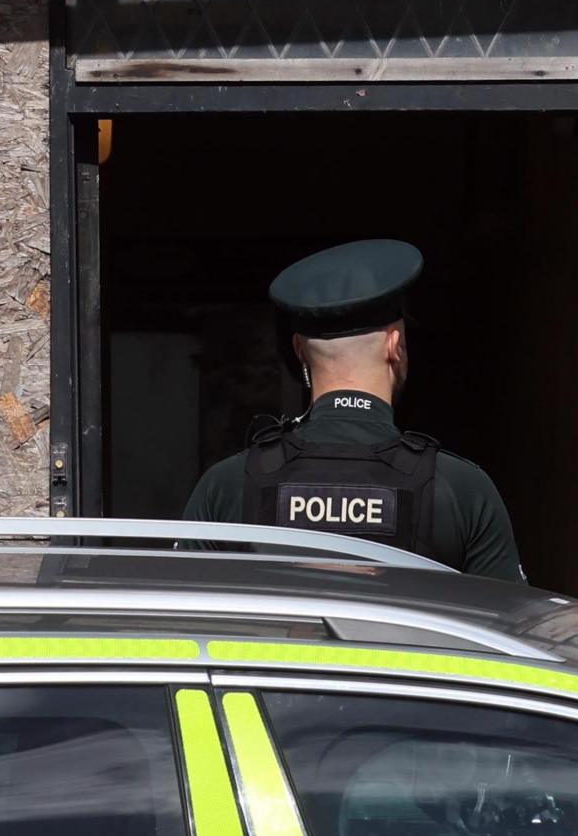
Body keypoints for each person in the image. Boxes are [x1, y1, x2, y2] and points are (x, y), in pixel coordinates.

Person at [182, 237, 525, 582]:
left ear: (299, 350)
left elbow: (183, 614)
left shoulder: (226, 486)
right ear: (395, 345)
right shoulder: (460, 490)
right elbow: (504, 621)